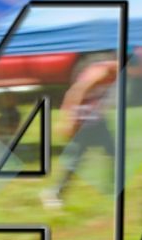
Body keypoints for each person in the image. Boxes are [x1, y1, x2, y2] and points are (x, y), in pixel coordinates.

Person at [43, 59, 120, 210]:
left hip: (96, 119)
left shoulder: (113, 72)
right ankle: (54, 193)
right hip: (83, 121)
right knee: (75, 159)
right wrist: (69, 121)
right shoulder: (101, 73)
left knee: (114, 151)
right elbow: (75, 93)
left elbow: (99, 97)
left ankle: (113, 188)